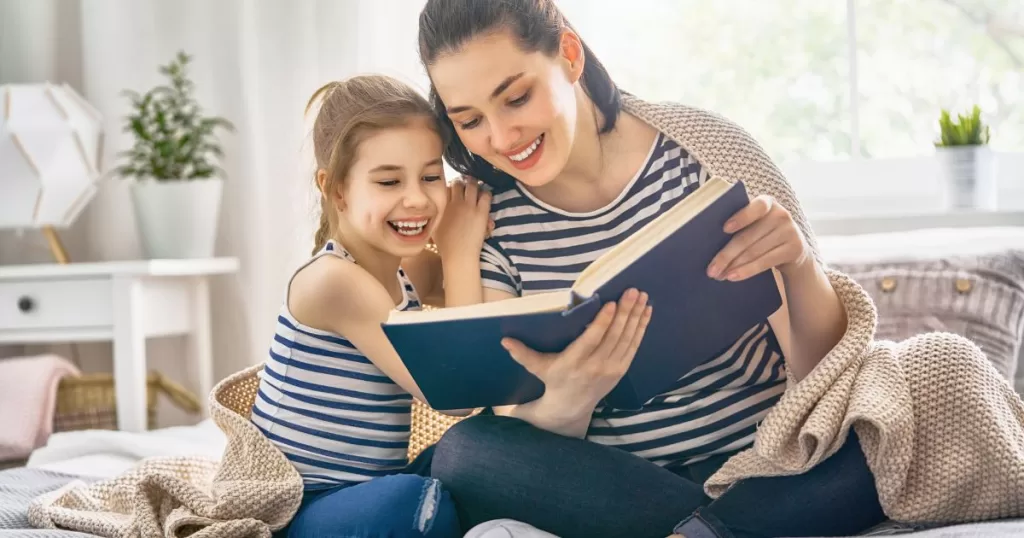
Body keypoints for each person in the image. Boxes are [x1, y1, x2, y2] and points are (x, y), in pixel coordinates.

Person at [415, 1, 888, 537]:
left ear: (569, 56)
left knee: (899, 407)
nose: (502, 139)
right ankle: (719, 530)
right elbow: (517, 429)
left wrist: (798, 265)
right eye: (471, 121)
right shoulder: (492, 222)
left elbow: (827, 373)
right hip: (622, 489)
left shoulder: (705, 154)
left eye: (517, 97)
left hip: (767, 464)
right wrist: (571, 402)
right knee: (463, 455)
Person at [249, 75, 494, 538]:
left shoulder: (407, 269)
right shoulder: (334, 282)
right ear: (336, 190)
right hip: (306, 509)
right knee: (411, 502)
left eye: (429, 176)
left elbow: (487, 293)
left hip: (371, 487)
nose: (418, 199)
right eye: (388, 181)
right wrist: (459, 251)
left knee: (482, 449)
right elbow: (459, 392)